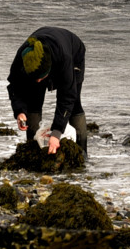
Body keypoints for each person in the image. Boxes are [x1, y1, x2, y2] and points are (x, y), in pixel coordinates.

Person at [8, 26, 87, 161]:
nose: (38, 81)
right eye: (35, 78)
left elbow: (67, 97)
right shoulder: (23, 57)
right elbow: (15, 85)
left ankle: (82, 154)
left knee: (74, 105)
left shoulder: (64, 58)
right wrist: (20, 111)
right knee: (33, 102)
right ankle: (32, 148)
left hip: (74, 53)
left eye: (41, 77)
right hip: (40, 62)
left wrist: (56, 133)